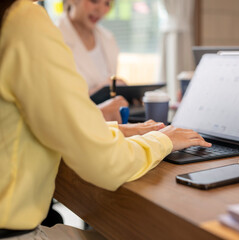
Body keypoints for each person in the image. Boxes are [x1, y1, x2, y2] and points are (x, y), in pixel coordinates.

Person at [0, 0, 211, 239]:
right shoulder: (23, 20)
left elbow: (39, 120)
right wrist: (163, 140)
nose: (100, 9)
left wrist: (118, 130)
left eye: (107, 3)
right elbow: (106, 164)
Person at [57, 0, 129, 123]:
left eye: (107, 3)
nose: (101, 10)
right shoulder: (55, 38)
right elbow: (56, 104)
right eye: (94, 1)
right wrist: (100, 90)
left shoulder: (108, 38)